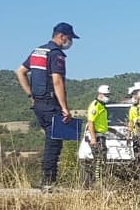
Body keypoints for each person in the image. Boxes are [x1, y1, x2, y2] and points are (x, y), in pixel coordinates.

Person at [15, 22, 79, 191]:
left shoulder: (38, 51)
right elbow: (57, 81)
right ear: (61, 36)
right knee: (54, 141)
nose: (70, 42)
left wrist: (31, 95)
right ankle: (48, 180)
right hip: (51, 103)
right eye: (70, 38)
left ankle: (47, 178)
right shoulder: (56, 54)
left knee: (50, 140)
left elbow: (20, 72)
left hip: (38, 104)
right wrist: (65, 107)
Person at [83, 84, 111, 186]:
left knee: (102, 159)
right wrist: (93, 138)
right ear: (100, 94)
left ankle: (97, 181)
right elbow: (91, 122)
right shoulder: (95, 106)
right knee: (99, 159)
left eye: (108, 95)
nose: (108, 97)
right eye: (106, 95)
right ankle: (96, 182)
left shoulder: (102, 106)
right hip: (97, 136)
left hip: (102, 135)